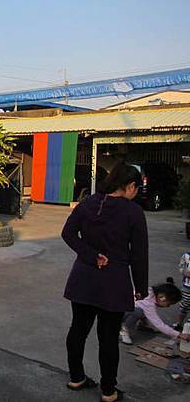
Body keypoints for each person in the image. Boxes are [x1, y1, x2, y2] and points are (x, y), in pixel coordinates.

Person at [61, 162, 148, 402]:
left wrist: (90, 255)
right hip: (114, 282)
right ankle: (108, 391)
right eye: (136, 188)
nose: (136, 193)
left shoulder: (87, 203)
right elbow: (139, 254)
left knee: (78, 329)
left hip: (83, 278)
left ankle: (76, 377)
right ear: (130, 186)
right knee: (108, 338)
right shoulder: (133, 213)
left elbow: (68, 234)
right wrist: (140, 288)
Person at [119, 277, 189, 344]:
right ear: (162, 298)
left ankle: (143, 325)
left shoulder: (151, 292)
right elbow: (159, 324)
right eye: (169, 304)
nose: (168, 306)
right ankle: (124, 330)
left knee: (142, 310)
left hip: (121, 308)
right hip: (118, 313)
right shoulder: (148, 303)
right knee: (138, 311)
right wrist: (179, 335)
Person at [174, 250, 190, 330]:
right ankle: (179, 323)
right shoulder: (186, 255)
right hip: (187, 286)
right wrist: (184, 272)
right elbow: (181, 266)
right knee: (184, 305)